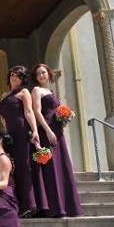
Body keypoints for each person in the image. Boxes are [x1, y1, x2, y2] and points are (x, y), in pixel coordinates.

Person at [31, 64, 83, 217]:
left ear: (49, 74)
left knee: (62, 166)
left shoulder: (51, 91)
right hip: (47, 130)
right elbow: (37, 112)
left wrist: (64, 119)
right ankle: (55, 207)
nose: (41, 75)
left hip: (57, 131)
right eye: (38, 74)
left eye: (43, 72)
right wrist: (48, 131)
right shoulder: (36, 90)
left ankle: (68, 206)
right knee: (51, 167)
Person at [0, 65, 39, 217]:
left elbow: (29, 112)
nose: (14, 77)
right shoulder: (4, 95)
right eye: (12, 74)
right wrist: (5, 134)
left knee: (23, 166)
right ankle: (14, 204)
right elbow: (2, 117)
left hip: (21, 132)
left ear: (22, 79)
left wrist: (34, 130)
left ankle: (29, 206)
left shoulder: (24, 92)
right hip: (9, 135)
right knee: (11, 168)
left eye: (18, 75)